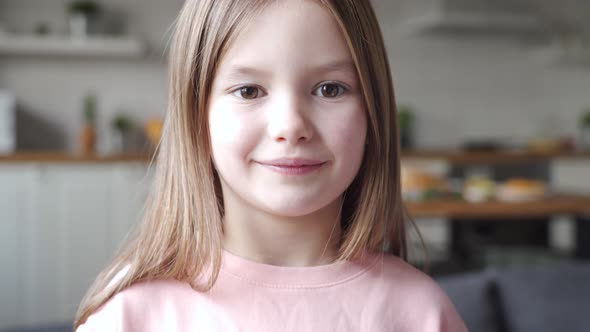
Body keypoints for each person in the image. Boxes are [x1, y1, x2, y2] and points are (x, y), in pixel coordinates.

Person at [74, 0, 467, 330]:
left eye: (330, 89)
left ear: (372, 113)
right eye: (249, 90)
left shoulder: (422, 314)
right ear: (197, 117)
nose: (291, 126)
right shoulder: (132, 318)